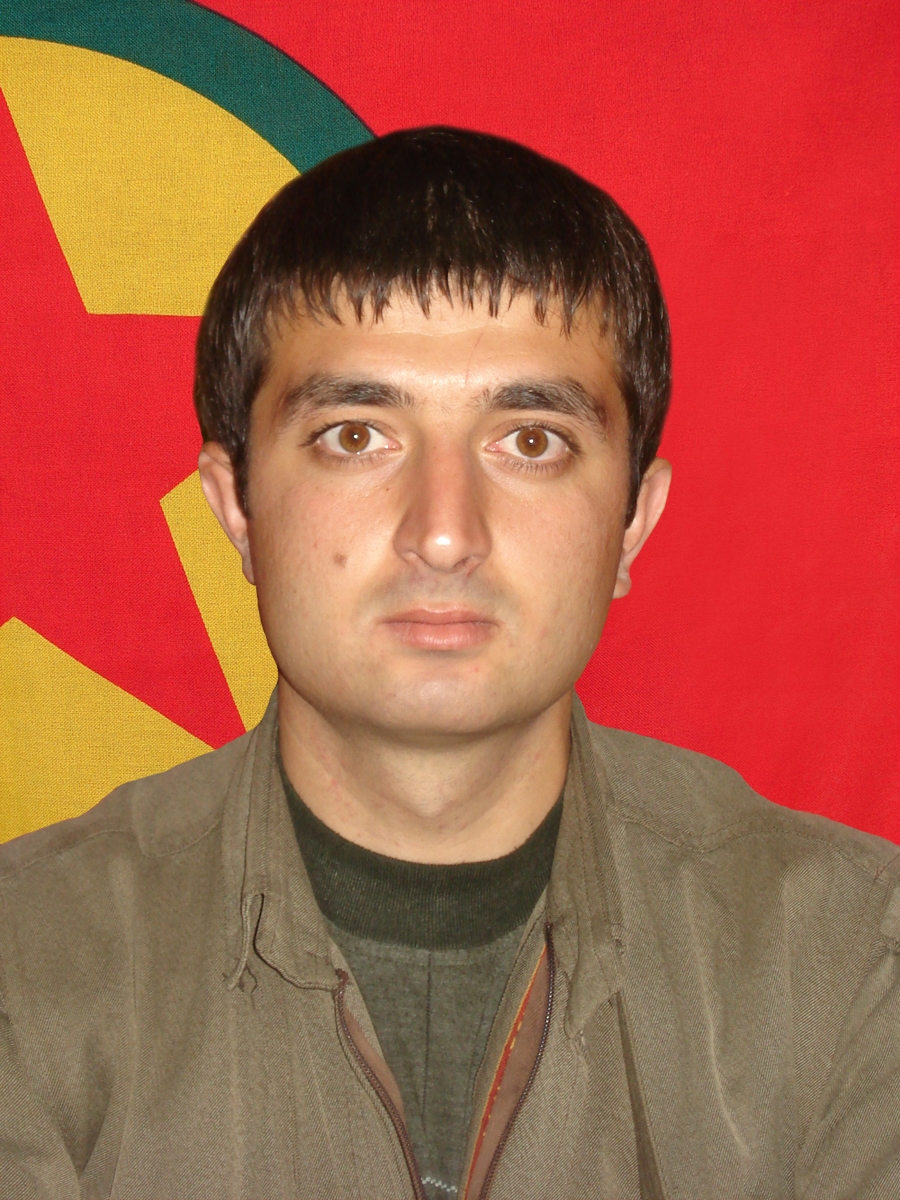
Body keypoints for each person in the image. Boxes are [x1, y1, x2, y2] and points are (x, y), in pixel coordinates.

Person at [1, 127, 898, 1200]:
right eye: (354, 436)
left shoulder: (852, 959)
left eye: (530, 441)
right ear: (236, 507)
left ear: (632, 522)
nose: (441, 532)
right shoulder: (28, 967)